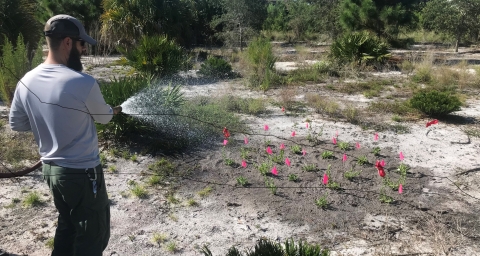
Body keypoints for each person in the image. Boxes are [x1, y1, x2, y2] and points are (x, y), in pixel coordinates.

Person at [9, 14, 121, 256]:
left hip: (52, 172)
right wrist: (113, 110)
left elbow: (17, 124)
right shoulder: (83, 82)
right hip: (83, 174)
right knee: (92, 236)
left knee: (68, 225)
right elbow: (104, 117)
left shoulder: (26, 81)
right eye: (82, 45)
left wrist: (48, 124)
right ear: (68, 43)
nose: (83, 51)